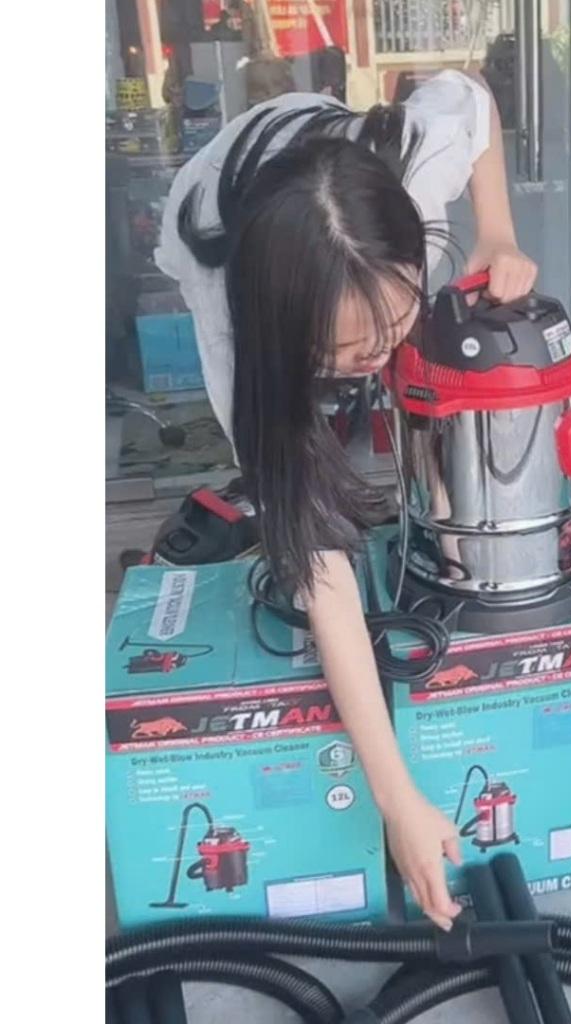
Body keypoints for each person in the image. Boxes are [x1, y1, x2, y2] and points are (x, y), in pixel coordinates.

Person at [155, 71, 536, 930]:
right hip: (223, 220)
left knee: (416, 369)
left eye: (390, 326)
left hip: (338, 190)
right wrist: (398, 800)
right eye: (346, 351)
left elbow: (474, 95)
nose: (375, 356)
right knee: (300, 480)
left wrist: (499, 233)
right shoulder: (237, 331)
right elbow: (323, 568)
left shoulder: (413, 172)